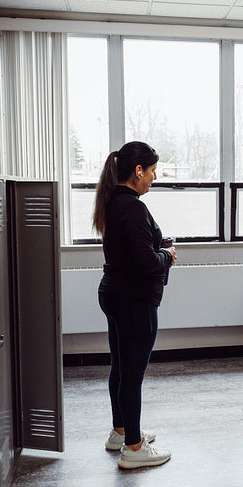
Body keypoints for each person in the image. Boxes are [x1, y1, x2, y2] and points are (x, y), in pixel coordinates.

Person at [93, 141, 177, 469]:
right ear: (138, 171)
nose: (155, 177)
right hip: (134, 300)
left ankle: (121, 430)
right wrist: (167, 255)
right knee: (132, 374)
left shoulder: (115, 202)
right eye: (153, 171)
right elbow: (145, 262)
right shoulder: (133, 207)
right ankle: (134, 447)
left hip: (115, 295)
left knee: (121, 366)